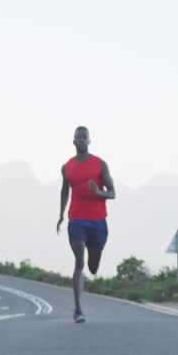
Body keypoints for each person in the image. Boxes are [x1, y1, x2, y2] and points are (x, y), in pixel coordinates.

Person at [56, 125, 115, 323]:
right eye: (78, 137)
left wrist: (99, 193)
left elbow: (113, 193)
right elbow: (65, 190)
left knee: (93, 267)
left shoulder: (100, 165)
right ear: (73, 141)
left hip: (98, 222)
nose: (81, 140)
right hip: (77, 220)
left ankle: (93, 260)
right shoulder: (67, 167)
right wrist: (61, 214)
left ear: (89, 141)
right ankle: (78, 310)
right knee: (79, 259)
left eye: (84, 137)